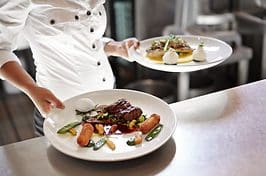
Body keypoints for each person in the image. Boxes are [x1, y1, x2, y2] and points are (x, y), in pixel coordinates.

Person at [0, 0, 139, 136]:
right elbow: (1, 50)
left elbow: (89, 41)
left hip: (107, 100)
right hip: (60, 110)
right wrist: (31, 88)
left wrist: (116, 48)